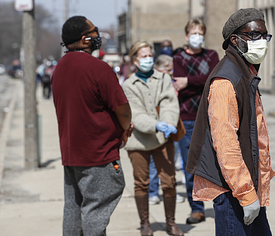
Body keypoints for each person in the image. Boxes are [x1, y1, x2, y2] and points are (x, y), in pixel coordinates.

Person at [186, 8, 275, 236]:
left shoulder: (245, 72)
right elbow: (226, 144)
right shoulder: (226, 80)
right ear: (235, 40)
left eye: (264, 35)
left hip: (247, 187)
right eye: (254, 35)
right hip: (233, 193)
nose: (262, 42)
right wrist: (246, 194)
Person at [52, 15, 133, 236]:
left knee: (74, 208)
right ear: (85, 38)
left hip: (71, 154)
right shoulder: (99, 68)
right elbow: (123, 109)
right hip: (98, 153)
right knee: (95, 212)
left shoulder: (59, 68)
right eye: (94, 31)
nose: (98, 35)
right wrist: (126, 128)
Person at [122, 41, 184, 236]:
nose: (148, 59)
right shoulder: (128, 85)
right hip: (138, 141)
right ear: (135, 60)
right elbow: (135, 113)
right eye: (143, 56)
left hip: (163, 139)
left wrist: (168, 122)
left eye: (150, 55)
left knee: (169, 181)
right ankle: (145, 224)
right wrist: (155, 125)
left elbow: (169, 103)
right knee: (141, 182)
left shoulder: (164, 78)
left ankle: (171, 223)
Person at [172, 18, 220, 224]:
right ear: (186, 36)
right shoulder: (179, 58)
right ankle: (197, 208)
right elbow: (179, 83)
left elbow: (214, 78)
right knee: (190, 166)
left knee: (216, 164)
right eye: (193, 33)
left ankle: (220, 203)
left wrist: (190, 82)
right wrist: (202, 82)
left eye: (200, 33)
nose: (197, 37)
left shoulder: (211, 55)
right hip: (188, 119)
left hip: (211, 117)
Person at [148, 54, 185, 206]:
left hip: (172, 125)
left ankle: (170, 191)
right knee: (153, 162)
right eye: (169, 70)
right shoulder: (152, 82)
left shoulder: (172, 82)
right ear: (160, 69)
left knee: (170, 160)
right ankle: (153, 192)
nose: (172, 73)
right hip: (157, 125)